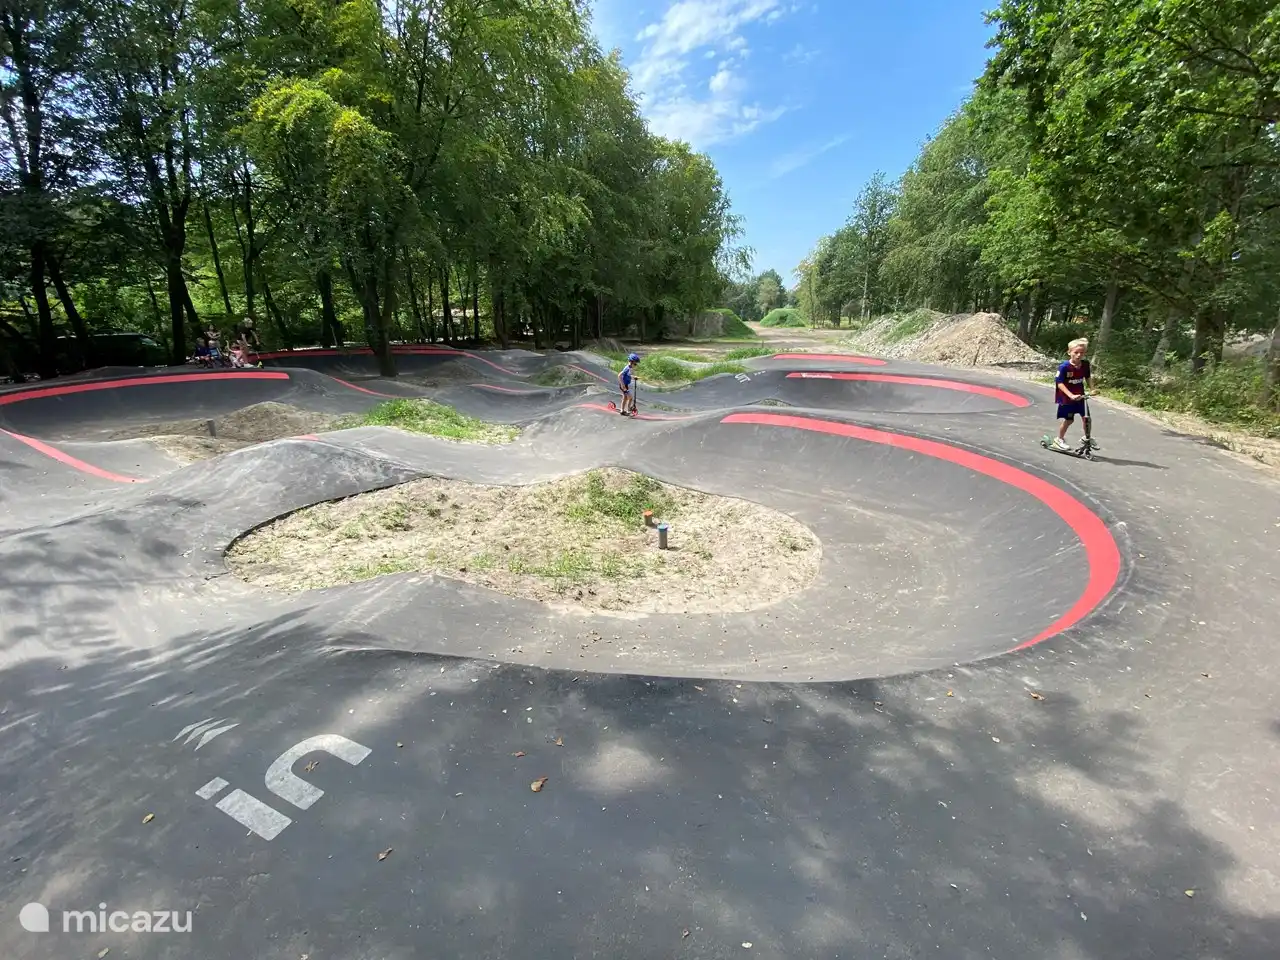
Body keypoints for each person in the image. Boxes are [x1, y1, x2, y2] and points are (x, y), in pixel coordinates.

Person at [1053, 337, 1095, 451]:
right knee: (1069, 420)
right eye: (1076, 352)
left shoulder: (1085, 364)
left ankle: (1086, 438)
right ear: (1069, 352)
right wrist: (1071, 395)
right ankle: (1059, 439)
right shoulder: (1064, 367)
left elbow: (1088, 377)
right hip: (1067, 398)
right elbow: (1059, 383)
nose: (1078, 355)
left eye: (1081, 353)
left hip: (1080, 396)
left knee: (1086, 418)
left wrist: (1092, 388)